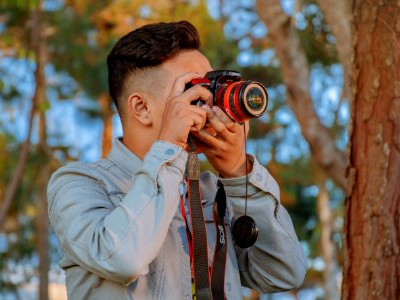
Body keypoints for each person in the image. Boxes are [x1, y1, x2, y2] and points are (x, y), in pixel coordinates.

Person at [47, 20, 307, 299]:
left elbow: (283, 271)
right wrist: (170, 147)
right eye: (194, 89)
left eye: (212, 88)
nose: (210, 104)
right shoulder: (79, 184)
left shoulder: (210, 193)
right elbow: (123, 259)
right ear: (142, 107)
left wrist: (237, 172)